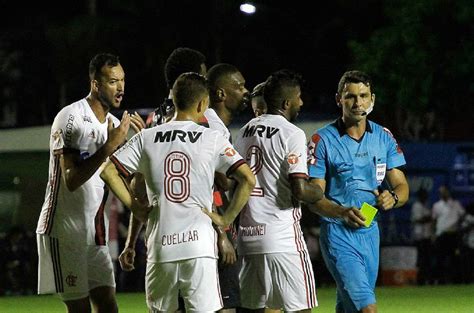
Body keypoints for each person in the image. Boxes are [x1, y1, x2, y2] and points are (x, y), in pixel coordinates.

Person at [210, 69, 363, 313]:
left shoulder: (244, 132)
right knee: (300, 308)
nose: (301, 103)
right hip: (282, 238)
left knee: (251, 309)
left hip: (248, 239)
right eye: (299, 97)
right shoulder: (292, 133)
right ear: (286, 102)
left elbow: (232, 185)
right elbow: (301, 191)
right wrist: (319, 189)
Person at [100, 72, 256, 312]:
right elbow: (248, 179)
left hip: (161, 246)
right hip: (200, 248)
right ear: (203, 103)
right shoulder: (212, 138)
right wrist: (226, 219)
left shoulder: (147, 137)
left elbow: (109, 172)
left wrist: (136, 207)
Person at [35, 53, 143, 312]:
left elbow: (130, 182)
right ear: (95, 84)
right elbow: (71, 180)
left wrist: (141, 145)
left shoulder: (116, 125)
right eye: (113, 81)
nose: (121, 87)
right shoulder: (71, 117)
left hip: (95, 232)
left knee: (109, 306)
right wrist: (109, 146)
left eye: (123, 80)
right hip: (64, 230)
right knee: (80, 309)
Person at [307, 70, 409, 313]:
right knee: (367, 308)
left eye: (363, 96)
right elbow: (314, 198)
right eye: (350, 96)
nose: (357, 102)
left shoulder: (384, 136)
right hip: (337, 232)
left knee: (349, 307)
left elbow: (402, 187)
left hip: (370, 230)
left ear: (372, 99)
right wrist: (341, 212)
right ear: (338, 100)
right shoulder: (323, 140)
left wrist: (392, 198)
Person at [119, 46, 207, 276]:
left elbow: (139, 185)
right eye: (203, 76)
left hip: (159, 240)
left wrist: (130, 242)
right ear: (191, 80)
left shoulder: (152, 121)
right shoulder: (203, 119)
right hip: (199, 239)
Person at [204, 62, 250, 313]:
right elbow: (220, 181)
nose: (246, 91)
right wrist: (222, 232)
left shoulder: (213, 124)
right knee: (227, 303)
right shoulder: (214, 128)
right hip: (214, 227)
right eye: (240, 86)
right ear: (221, 93)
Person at [432, 185, 465, 284]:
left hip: (453, 235)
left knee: (454, 258)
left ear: (448, 192)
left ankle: (456, 280)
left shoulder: (456, 204)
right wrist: (433, 234)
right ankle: (440, 280)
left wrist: (458, 227)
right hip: (441, 235)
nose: (443, 193)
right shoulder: (437, 205)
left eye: (444, 191)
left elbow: (462, 216)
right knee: (440, 258)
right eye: (441, 192)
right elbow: (434, 221)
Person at [410, 188, 433, 285]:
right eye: (423, 195)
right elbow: (417, 220)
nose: (425, 197)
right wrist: (428, 218)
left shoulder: (426, 206)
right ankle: (420, 280)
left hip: (426, 236)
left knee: (427, 259)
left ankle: (426, 279)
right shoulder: (417, 206)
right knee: (421, 259)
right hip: (419, 236)